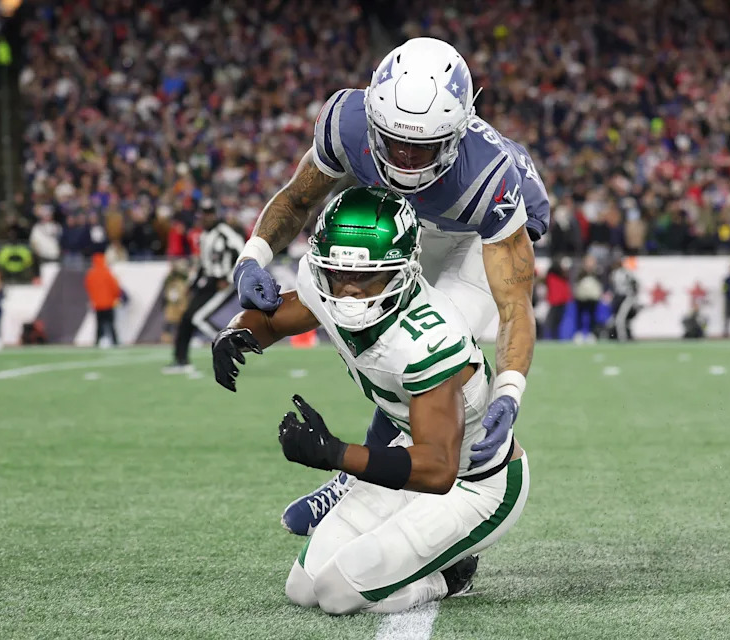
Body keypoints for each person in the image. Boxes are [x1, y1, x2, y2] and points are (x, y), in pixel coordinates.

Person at [233, 38, 548, 535]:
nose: (404, 158)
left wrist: (510, 392)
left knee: (427, 346)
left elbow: (514, 307)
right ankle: (374, 474)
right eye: (394, 140)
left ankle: (364, 480)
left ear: (455, 133)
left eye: (422, 146)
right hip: (411, 218)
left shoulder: (489, 179)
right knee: (375, 324)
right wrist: (251, 257)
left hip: (472, 233)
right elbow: (297, 199)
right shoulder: (346, 122)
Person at [212, 188, 528, 614]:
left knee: (340, 594)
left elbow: (438, 470)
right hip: (409, 453)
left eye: (367, 276)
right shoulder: (326, 287)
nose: (349, 291)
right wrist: (235, 330)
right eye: (337, 273)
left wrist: (336, 454)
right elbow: (273, 318)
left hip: (475, 483)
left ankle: (449, 579)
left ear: (405, 271)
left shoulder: (429, 340)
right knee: (303, 588)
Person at [164, 200, 245, 372]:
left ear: (215, 214)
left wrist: (229, 278)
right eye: (204, 213)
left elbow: (242, 252)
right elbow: (203, 263)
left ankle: (231, 349)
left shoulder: (226, 233)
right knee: (187, 318)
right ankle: (181, 360)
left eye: (210, 213)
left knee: (198, 318)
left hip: (222, 282)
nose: (207, 217)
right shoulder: (204, 236)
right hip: (208, 281)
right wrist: (191, 284)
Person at [84, 253, 121, 347]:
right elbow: (115, 287)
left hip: (97, 304)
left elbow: (88, 287)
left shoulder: (91, 274)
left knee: (99, 324)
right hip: (109, 303)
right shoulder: (107, 273)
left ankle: (97, 341)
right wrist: (115, 297)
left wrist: (94, 299)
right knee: (111, 324)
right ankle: (114, 341)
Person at [605, 256, 638, 341]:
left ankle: (623, 337)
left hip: (626, 297)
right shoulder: (617, 273)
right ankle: (620, 336)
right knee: (618, 318)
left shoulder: (623, 273)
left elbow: (634, 285)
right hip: (620, 298)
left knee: (620, 318)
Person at [573, 256, 603, 343]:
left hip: (593, 297)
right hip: (581, 297)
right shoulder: (580, 272)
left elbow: (601, 283)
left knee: (593, 316)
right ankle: (579, 334)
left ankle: (592, 334)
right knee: (579, 315)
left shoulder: (597, 272)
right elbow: (576, 282)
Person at [544, 258, 571, 340]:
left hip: (561, 301)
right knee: (552, 321)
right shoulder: (552, 275)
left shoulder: (563, 277)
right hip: (554, 301)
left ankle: (554, 337)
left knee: (557, 321)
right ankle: (549, 337)